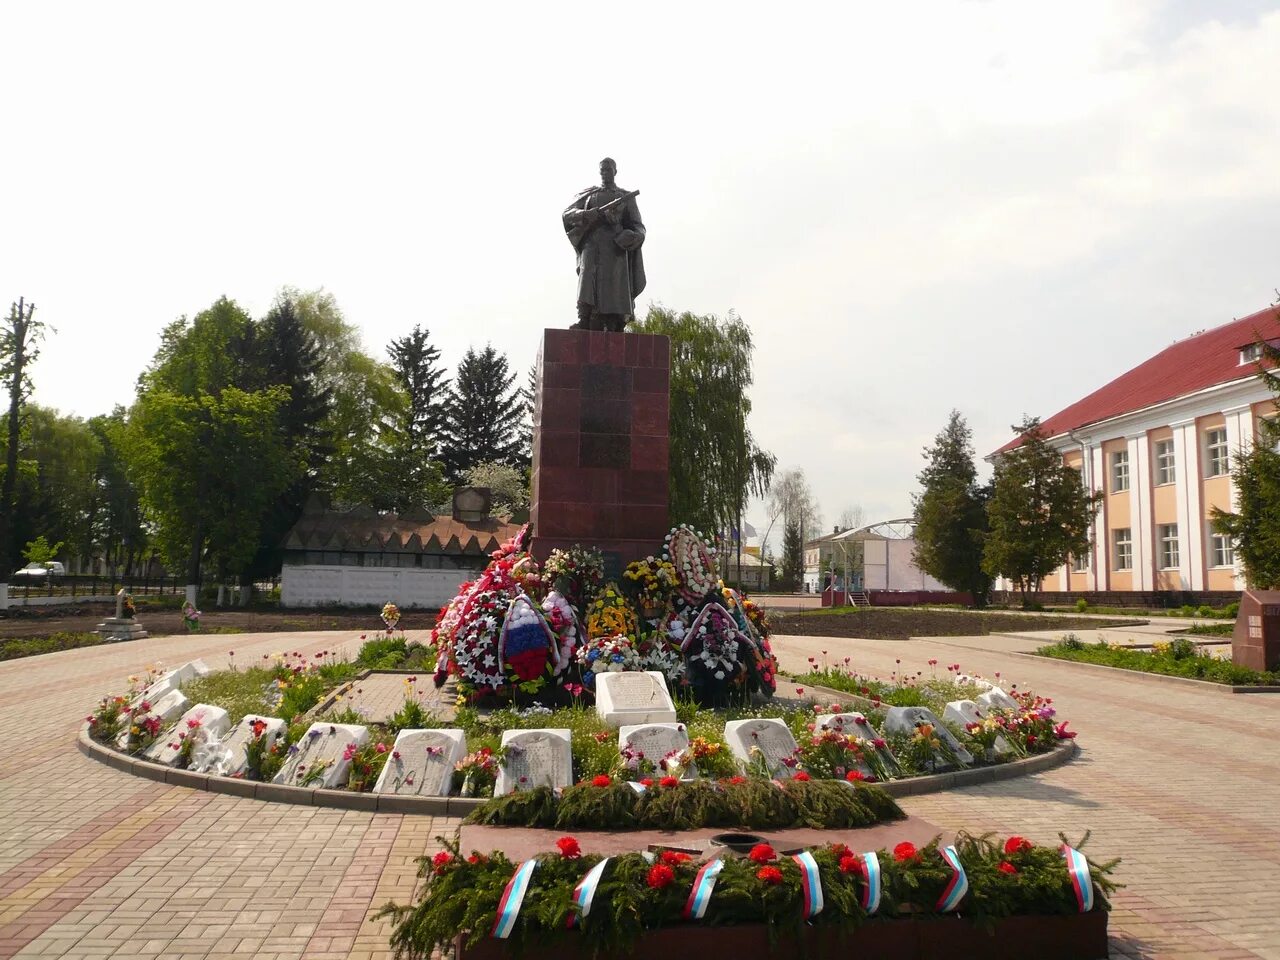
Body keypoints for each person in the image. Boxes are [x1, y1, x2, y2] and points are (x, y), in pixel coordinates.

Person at [562, 157, 646, 331]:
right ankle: (584, 318)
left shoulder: (625, 197)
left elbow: (638, 226)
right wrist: (585, 214)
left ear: (615, 171)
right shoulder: (589, 194)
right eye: (602, 170)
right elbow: (567, 214)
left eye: (608, 169)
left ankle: (615, 322)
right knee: (586, 279)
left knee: (615, 285)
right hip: (591, 245)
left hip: (615, 247)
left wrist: (631, 236)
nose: (605, 173)